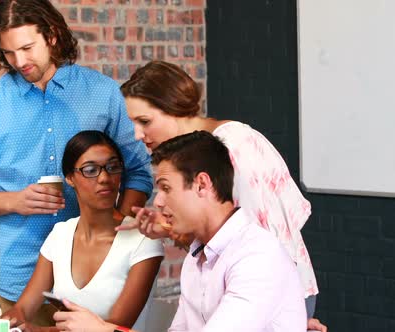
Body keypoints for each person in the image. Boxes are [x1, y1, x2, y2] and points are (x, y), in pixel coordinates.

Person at [0, 0, 152, 325]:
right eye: (8, 53)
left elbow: (138, 174)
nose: (19, 62)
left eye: (27, 48)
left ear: (53, 35)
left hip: (98, 280)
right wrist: (15, 201)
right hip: (20, 275)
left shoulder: (103, 93)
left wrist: (121, 237)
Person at [117, 61, 326, 330]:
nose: (137, 134)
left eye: (144, 121)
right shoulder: (196, 153)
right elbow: (219, 236)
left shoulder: (235, 144)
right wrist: (169, 227)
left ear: (173, 107)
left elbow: (266, 242)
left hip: (267, 294)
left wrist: (284, 311)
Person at [54, 131, 307, 331]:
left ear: (202, 185)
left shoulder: (258, 257)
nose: (159, 202)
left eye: (166, 188)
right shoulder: (195, 260)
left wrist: (104, 330)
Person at [1, 131, 164, 331]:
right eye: (91, 170)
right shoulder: (60, 234)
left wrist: (40, 330)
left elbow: (114, 327)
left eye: (112, 167)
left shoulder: (143, 240)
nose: (104, 178)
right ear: (70, 178)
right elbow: (23, 309)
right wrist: (4, 323)